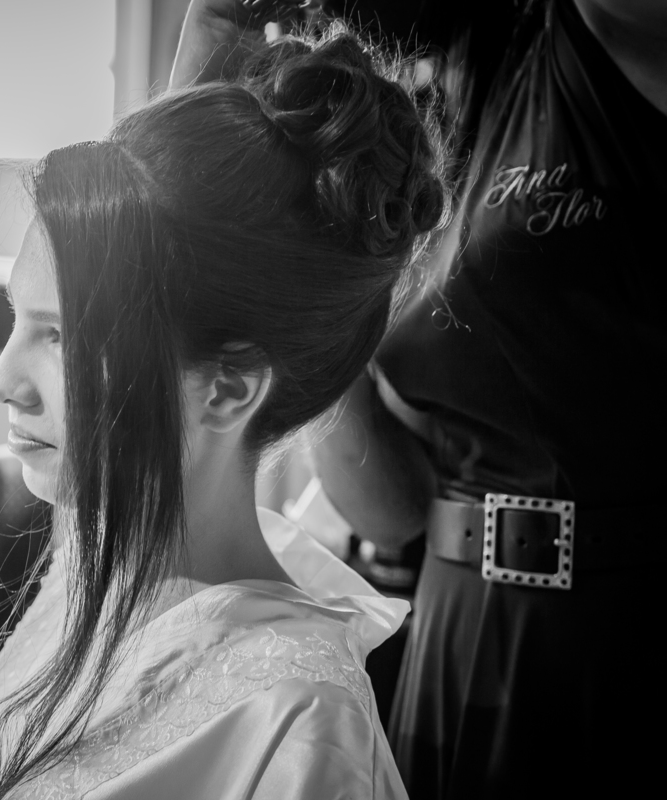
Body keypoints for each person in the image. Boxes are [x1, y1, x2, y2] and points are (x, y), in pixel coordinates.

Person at [0, 18, 448, 799]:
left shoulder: (298, 727)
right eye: (16, 321)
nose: (2, 382)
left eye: (60, 337)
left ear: (228, 389)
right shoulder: (88, 570)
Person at [177, 1, 667, 798]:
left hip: (624, 630)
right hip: (458, 617)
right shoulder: (417, 123)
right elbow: (392, 509)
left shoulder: (607, 35)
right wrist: (320, 319)